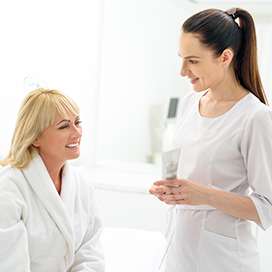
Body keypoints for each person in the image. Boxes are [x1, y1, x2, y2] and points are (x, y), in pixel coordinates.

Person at [149, 7, 272, 272]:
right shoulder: (185, 104)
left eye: (193, 61)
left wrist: (202, 194)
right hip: (178, 252)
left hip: (224, 260)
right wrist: (170, 188)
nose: (183, 71)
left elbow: (267, 207)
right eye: (181, 59)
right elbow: (177, 168)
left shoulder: (255, 117)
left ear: (225, 57)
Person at [0, 88, 105, 272]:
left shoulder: (81, 185)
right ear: (35, 137)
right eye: (64, 126)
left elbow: (90, 254)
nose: (77, 132)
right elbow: (11, 265)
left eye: (77, 122)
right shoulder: (9, 187)